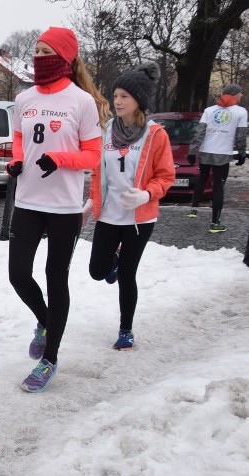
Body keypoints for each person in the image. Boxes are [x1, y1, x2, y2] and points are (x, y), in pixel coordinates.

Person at [5, 27, 109, 393]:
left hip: (64, 206)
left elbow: (94, 155)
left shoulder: (81, 102)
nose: (38, 56)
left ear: (64, 57)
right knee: (18, 274)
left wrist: (60, 159)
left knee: (55, 276)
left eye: (46, 50)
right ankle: (44, 320)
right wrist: (16, 161)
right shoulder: (24, 99)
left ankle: (49, 359)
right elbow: (19, 137)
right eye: (36, 50)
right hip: (28, 201)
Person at [86, 63, 175, 350]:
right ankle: (112, 264)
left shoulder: (156, 135)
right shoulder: (106, 131)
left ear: (139, 101)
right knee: (98, 271)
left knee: (127, 275)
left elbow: (166, 176)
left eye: (124, 96)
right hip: (109, 215)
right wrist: (92, 200)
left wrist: (147, 195)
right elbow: (99, 171)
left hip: (140, 219)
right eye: (116, 95)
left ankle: (126, 330)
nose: (118, 101)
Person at [187, 83, 248, 233]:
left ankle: (194, 209)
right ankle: (215, 224)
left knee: (202, 178)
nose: (242, 96)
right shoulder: (240, 112)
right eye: (240, 93)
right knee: (219, 187)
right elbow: (241, 135)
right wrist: (241, 152)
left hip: (206, 151)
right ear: (234, 94)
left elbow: (200, 132)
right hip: (223, 153)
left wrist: (192, 151)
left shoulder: (209, 110)